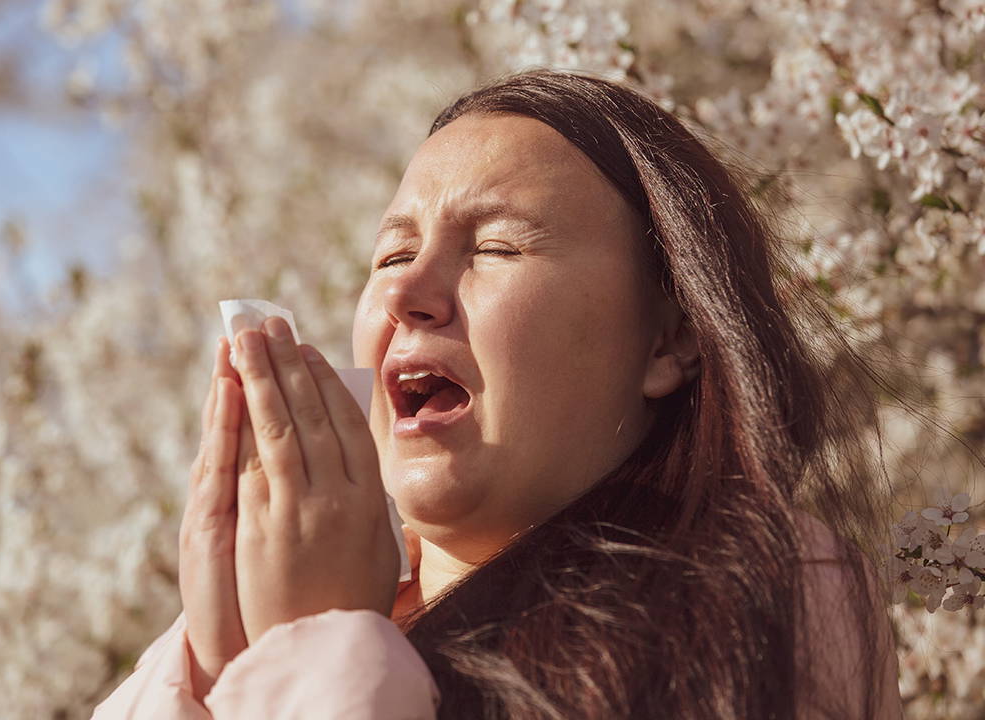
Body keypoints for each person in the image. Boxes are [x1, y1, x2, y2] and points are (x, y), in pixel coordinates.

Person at [91, 69, 903, 719]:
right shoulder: (220, 640)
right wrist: (214, 656)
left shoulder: (765, 589)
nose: (410, 287)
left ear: (668, 340)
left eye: (498, 245)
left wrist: (312, 650)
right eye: (389, 255)